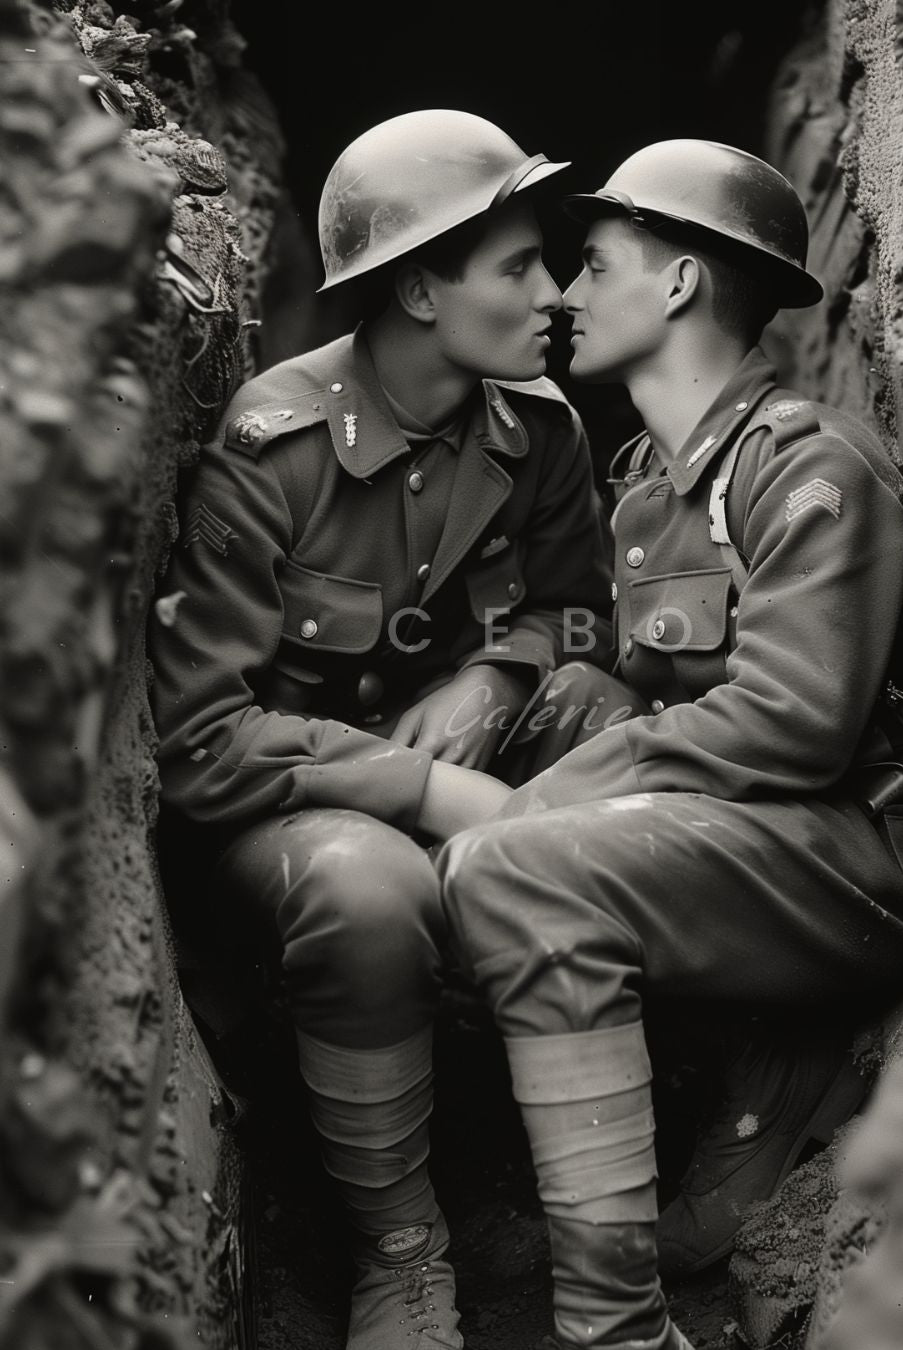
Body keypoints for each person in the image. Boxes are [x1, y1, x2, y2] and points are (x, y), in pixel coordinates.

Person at [438, 139, 903, 1350]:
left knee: (514, 859)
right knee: (565, 700)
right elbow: (630, 684)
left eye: (596, 263)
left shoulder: (805, 467)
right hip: (767, 843)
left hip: (867, 857)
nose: (563, 295)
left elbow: (795, 719)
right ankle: (709, 1087)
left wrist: (553, 803)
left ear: (677, 286)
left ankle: (614, 1323)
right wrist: (506, 688)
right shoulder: (651, 484)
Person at [150, 109, 614, 1349]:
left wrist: (504, 679)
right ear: (419, 287)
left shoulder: (539, 429)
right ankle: (399, 1245)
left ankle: (581, 1144)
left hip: (458, 755)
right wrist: (415, 789)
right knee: (367, 891)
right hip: (289, 815)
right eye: (519, 264)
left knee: (612, 727)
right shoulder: (276, 446)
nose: (555, 289)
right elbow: (199, 741)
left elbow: (581, 620)